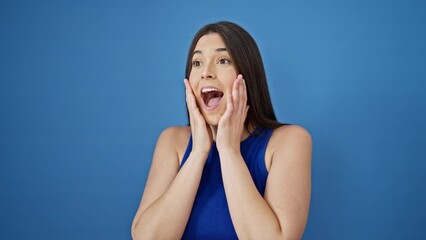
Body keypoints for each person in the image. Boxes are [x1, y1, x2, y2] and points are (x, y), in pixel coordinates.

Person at [131, 21, 312, 240]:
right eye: (197, 63)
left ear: (247, 76)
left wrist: (229, 151)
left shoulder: (290, 141)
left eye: (223, 60)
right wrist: (198, 153)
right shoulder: (172, 141)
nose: (206, 72)